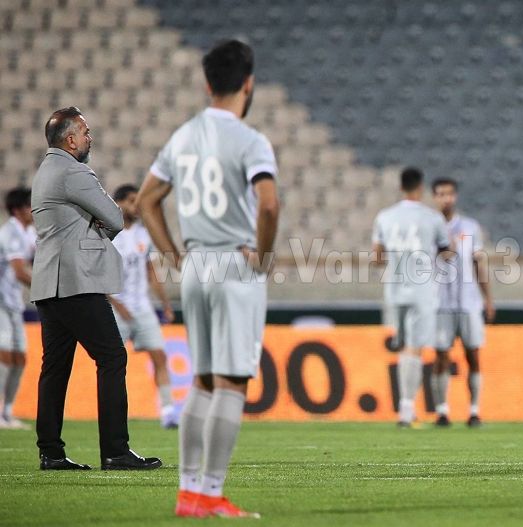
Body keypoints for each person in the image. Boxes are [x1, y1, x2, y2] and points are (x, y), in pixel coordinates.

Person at [137, 39, 279, 519]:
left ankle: (188, 492)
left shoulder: (183, 136)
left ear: (205, 83)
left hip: (196, 266)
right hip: (233, 266)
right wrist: (261, 255)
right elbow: (269, 203)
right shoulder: (251, 140)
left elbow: (145, 199)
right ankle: (212, 493)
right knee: (231, 382)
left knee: (200, 381)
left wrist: (174, 255)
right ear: (248, 83)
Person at [31, 106, 162, 471]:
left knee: (54, 368)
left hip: (48, 283)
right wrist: (96, 228)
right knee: (112, 357)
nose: (90, 137)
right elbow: (117, 217)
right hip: (77, 282)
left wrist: (87, 225)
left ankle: (51, 452)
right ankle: (115, 451)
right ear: (70, 139)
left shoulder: (45, 171)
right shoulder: (74, 171)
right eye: (86, 132)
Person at [372, 167, 451, 428]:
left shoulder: (384, 216)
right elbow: (446, 251)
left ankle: (405, 407)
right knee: (414, 348)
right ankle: (406, 408)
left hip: (394, 288)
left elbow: (377, 257)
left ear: (401, 187)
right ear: (420, 187)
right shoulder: (432, 218)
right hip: (421, 289)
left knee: (402, 345)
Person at [109, 184, 177, 429]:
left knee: (159, 355)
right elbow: (96, 273)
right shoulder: (108, 233)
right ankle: (115, 413)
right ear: (118, 203)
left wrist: (165, 303)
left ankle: (168, 411)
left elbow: (151, 272)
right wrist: (115, 302)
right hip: (116, 308)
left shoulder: (143, 233)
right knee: (114, 363)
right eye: (131, 201)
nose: (136, 207)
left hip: (142, 306)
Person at [429, 178, 494, 428]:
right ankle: (442, 411)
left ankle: (474, 410)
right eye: (440, 194)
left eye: (449, 194)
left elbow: (478, 263)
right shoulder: (429, 227)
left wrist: (488, 298)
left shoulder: (470, 227)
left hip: (469, 301)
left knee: (473, 354)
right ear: (434, 197)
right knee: (441, 355)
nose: (446, 198)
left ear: (455, 196)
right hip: (440, 302)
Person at [0, 187, 36, 430]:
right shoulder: (10, 231)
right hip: (0, 301)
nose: (32, 210)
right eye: (28, 206)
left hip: (14, 303)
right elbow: (19, 270)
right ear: (17, 209)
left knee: (20, 358)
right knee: (5, 355)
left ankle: (8, 412)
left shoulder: (30, 232)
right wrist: (49, 288)